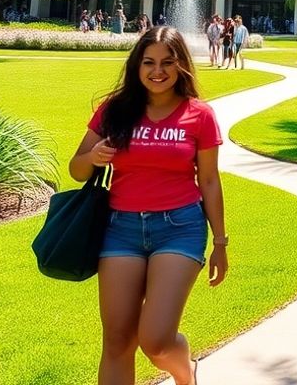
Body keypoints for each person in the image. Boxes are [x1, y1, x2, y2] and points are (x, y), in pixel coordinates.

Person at [67, 26, 228, 385]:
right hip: (120, 230)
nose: (158, 71)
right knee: (117, 341)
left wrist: (220, 243)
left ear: (181, 66)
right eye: (149, 63)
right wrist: (93, 156)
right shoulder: (115, 109)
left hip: (179, 228)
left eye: (167, 63)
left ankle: (185, 371)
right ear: (136, 67)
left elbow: (210, 181)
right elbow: (76, 170)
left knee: (155, 340)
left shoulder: (198, 114)